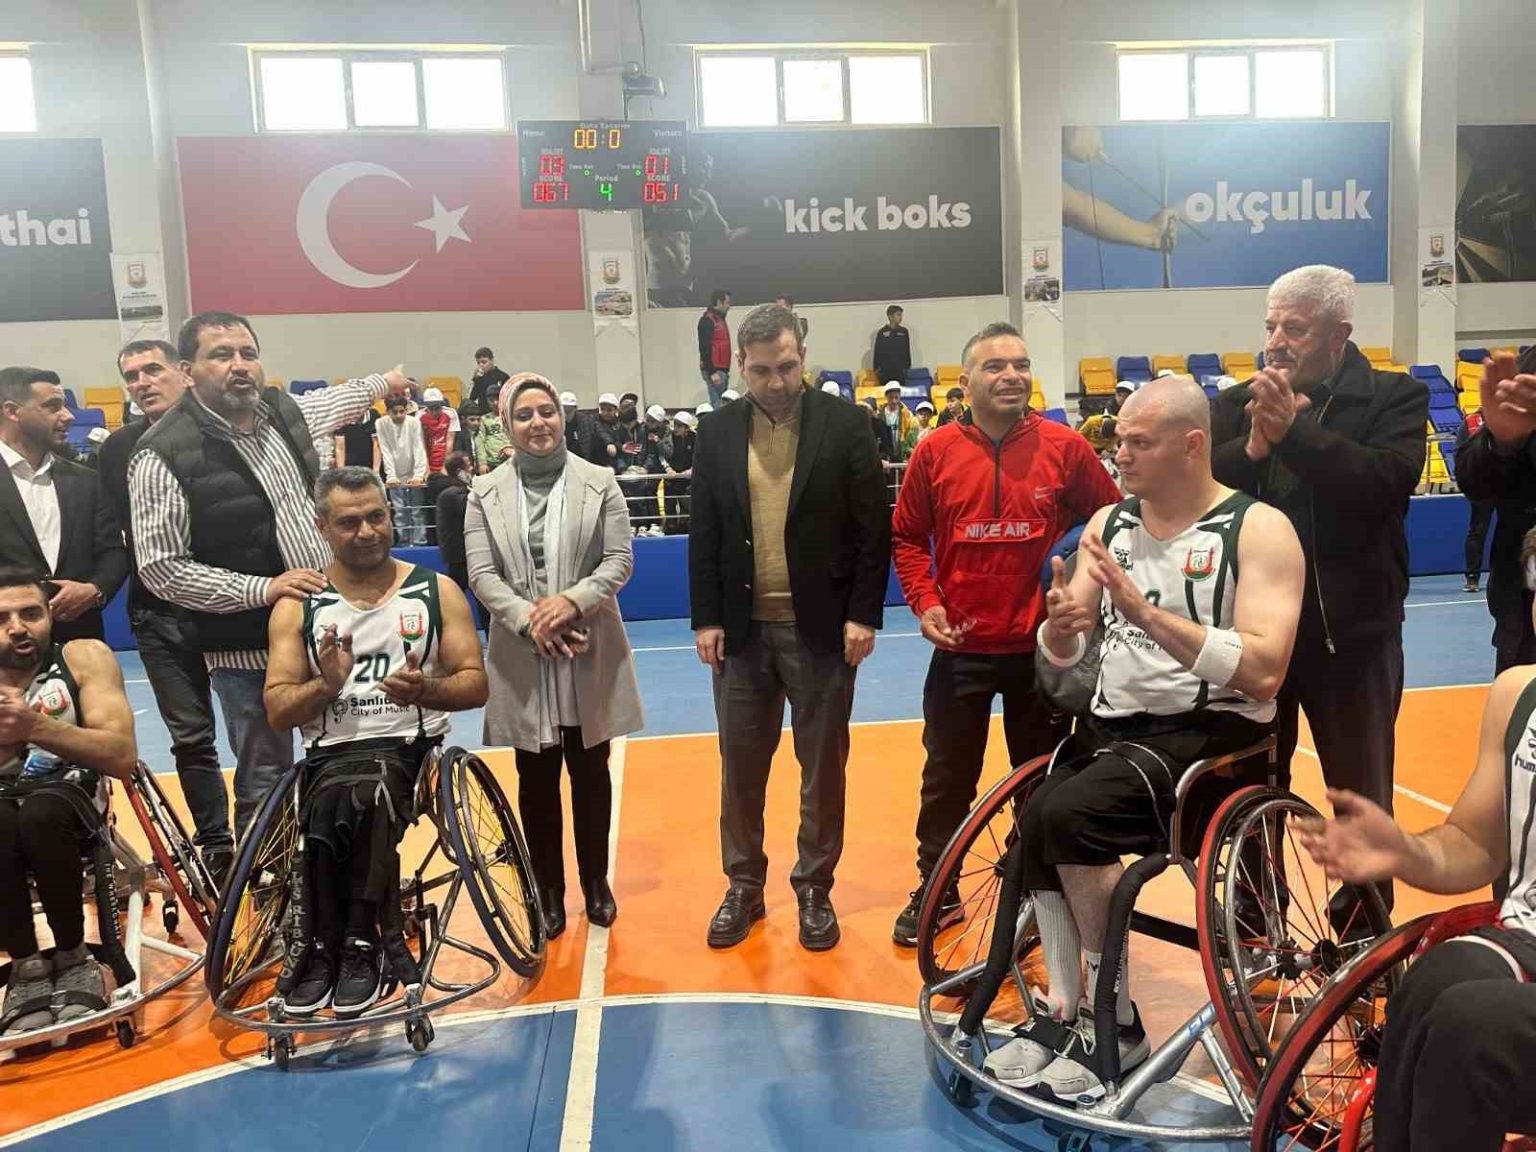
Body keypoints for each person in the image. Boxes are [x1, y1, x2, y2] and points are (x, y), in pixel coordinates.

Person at [983, 375, 1304, 1099]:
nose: (1119, 454)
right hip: (1113, 728)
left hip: (1209, 736)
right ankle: (1067, 1011)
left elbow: (1264, 672)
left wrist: (1145, 612)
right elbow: (1067, 654)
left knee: (1068, 814)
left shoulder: (1258, 529)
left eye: (1138, 442)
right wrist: (1060, 632)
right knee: (1036, 818)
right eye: (1118, 440)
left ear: (1191, 446)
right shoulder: (1110, 524)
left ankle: (1118, 1025)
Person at [127, 310, 409, 845]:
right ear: (187, 371)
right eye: (221, 355)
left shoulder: (282, 410)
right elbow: (162, 569)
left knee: (351, 762)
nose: (240, 365)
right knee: (266, 782)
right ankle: (271, 886)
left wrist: (386, 381)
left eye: (248, 354)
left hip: (326, 634)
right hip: (247, 651)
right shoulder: (160, 454)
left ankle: (346, 877)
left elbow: (340, 399)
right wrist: (264, 589)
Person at [1298, 528, 1536, 1151]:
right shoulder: (1518, 695)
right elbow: (1473, 842)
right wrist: (1404, 850)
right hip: (1530, 937)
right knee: (1429, 983)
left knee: (1470, 1025)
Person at [889, 322, 1122, 945]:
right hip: (961, 647)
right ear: (965, 382)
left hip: (1041, 652)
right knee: (946, 782)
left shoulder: (1065, 447)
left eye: (1020, 364)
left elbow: (1112, 520)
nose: (1012, 375)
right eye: (995, 367)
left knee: (1042, 782)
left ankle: (1032, 894)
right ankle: (938, 889)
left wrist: (1077, 589)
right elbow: (907, 537)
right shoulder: (934, 452)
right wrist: (925, 601)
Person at [1209, 265, 1428, 918]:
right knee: (1248, 787)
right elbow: (1201, 490)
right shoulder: (1235, 404)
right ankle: (1255, 911)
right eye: (1271, 325)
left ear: (1339, 334)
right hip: (1255, 639)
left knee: (1359, 796)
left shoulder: (1394, 397)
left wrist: (1294, 436)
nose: (1277, 341)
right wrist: (1253, 447)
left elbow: (1382, 485)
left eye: (1295, 328)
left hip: (1351, 640)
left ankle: (1365, 926)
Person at [690, 303, 890, 952]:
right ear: (739, 370)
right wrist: (706, 618)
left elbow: (872, 530)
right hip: (741, 633)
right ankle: (743, 886)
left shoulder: (847, 424)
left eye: (785, 366)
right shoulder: (716, 432)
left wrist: (863, 614)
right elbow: (705, 532)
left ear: (802, 356)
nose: (775, 382)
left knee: (822, 770)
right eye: (760, 371)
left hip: (823, 630)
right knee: (739, 771)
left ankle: (814, 888)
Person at [263, 468, 487, 1015]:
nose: (366, 531)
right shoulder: (300, 605)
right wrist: (326, 685)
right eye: (348, 522)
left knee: (367, 792)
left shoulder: (434, 591)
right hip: (329, 754)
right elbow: (277, 709)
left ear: (390, 515)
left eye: (376, 517)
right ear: (322, 528)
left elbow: (475, 684)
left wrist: (427, 688)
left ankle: (355, 941)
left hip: (410, 750)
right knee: (335, 796)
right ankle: (331, 944)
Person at [465, 374, 642, 938]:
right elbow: (481, 574)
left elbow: (618, 560)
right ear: (507, 426)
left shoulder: (601, 482)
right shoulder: (483, 492)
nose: (538, 422)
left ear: (562, 417)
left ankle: (595, 882)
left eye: (546, 411)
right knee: (535, 777)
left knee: (591, 771)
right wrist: (529, 620)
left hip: (588, 642)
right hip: (524, 650)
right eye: (524, 415)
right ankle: (547, 890)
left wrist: (569, 603)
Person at [100, 340, 232, 879]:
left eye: (152, 370)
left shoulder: (224, 434)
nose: (141, 383)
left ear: (183, 371)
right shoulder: (119, 449)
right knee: (191, 738)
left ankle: (273, 835)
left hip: (233, 609)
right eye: (131, 375)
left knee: (260, 733)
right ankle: (217, 844)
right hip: (158, 615)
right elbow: (118, 532)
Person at [0, 572, 139, 1037]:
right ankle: (26, 969)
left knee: (41, 813)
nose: (17, 627)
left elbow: (121, 755)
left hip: (71, 797)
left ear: (50, 615)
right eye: (2, 618)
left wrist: (34, 727)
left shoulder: (83, 657)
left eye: (30, 614)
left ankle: (74, 956)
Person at [0, 368, 128, 646]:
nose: (69, 416)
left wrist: (94, 589)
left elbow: (114, 550)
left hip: (79, 641)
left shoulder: (87, 480)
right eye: (53, 406)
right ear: (12, 411)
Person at [1454, 346, 1536, 670]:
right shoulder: (1525, 371)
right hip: (1522, 606)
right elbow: (1473, 482)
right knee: (1520, 696)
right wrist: (1502, 441)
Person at [375, 395, 428, 547]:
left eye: (402, 411)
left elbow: (419, 448)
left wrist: (418, 475)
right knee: (399, 512)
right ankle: (404, 543)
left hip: (414, 471)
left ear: (406, 410)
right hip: (395, 473)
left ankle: (420, 543)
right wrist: (391, 476)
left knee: (417, 511)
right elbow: (385, 450)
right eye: (395, 412)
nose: (399, 415)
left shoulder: (414, 422)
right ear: (387, 411)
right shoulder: (380, 423)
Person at [663, 410, 696, 534]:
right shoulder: (669, 438)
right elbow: (661, 456)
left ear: (687, 428)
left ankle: (685, 528)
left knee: (686, 508)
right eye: (675, 424)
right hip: (671, 477)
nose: (675, 428)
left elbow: (700, 456)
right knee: (669, 506)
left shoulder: (695, 438)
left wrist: (692, 469)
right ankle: (670, 529)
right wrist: (668, 469)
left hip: (688, 479)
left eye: (679, 425)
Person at [699, 290, 733, 408]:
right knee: (718, 406)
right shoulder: (708, 320)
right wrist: (712, 372)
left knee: (722, 405)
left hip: (721, 369)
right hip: (715, 369)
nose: (729, 306)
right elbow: (704, 347)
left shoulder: (719, 319)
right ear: (719, 302)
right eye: (727, 303)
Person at [474, 382, 511, 473]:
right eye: (491, 400)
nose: (495, 403)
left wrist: (512, 448)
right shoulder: (484, 419)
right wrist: (482, 463)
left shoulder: (512, 417)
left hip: (512, 460)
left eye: (498, 399)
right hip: (492, 464)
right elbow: (480, 441)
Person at [873, 305, 912, 388]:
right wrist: (876, 368)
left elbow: (907, 349)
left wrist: (907, 366)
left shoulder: (904, 331)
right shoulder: (882, 332)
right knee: (886, 391)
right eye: (898, 315)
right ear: (890, 316)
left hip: (900, 369)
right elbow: (877, 351)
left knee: (900, 390)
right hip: (885, 370)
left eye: (901, 315)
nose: (900, 317)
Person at [418, 387, 453, 476]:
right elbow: (421, 443)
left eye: (437, 408)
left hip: (443, 457)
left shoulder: (451, 414)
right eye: (431, 408)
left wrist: (445, 466)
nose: (434, 412)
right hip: (428, 456)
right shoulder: (419, 417)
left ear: (442, 404)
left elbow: (450, 439)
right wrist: (426, 467)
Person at [334, 408, 380, 473]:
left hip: (370, 463)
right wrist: (341, 472)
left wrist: (376, 471)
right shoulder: (341, 418)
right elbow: (340, 448)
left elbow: (376, 444)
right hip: (349, 465)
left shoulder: (373, 414)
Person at [469, 346, 509, 413]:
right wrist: (475, 379)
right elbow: (472, 398)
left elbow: (508, 398)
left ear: (492, 361)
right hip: (483, 414)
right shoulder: (479, 379)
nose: (481, 365)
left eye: (484, 362)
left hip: (499, 413)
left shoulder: (502, 376)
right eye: (478, 363)